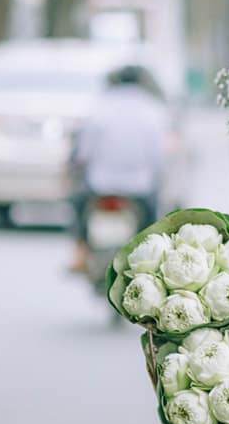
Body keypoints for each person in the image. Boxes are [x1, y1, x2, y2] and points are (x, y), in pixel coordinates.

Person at [69, 64, 170, 271]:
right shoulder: (153, 110)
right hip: (139, 186)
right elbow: (158, 157)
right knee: (151, 222)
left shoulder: (98, 108)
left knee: (78, 204)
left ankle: (80, 253)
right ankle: (153, 261)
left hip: (100, 184)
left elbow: (83, 153)